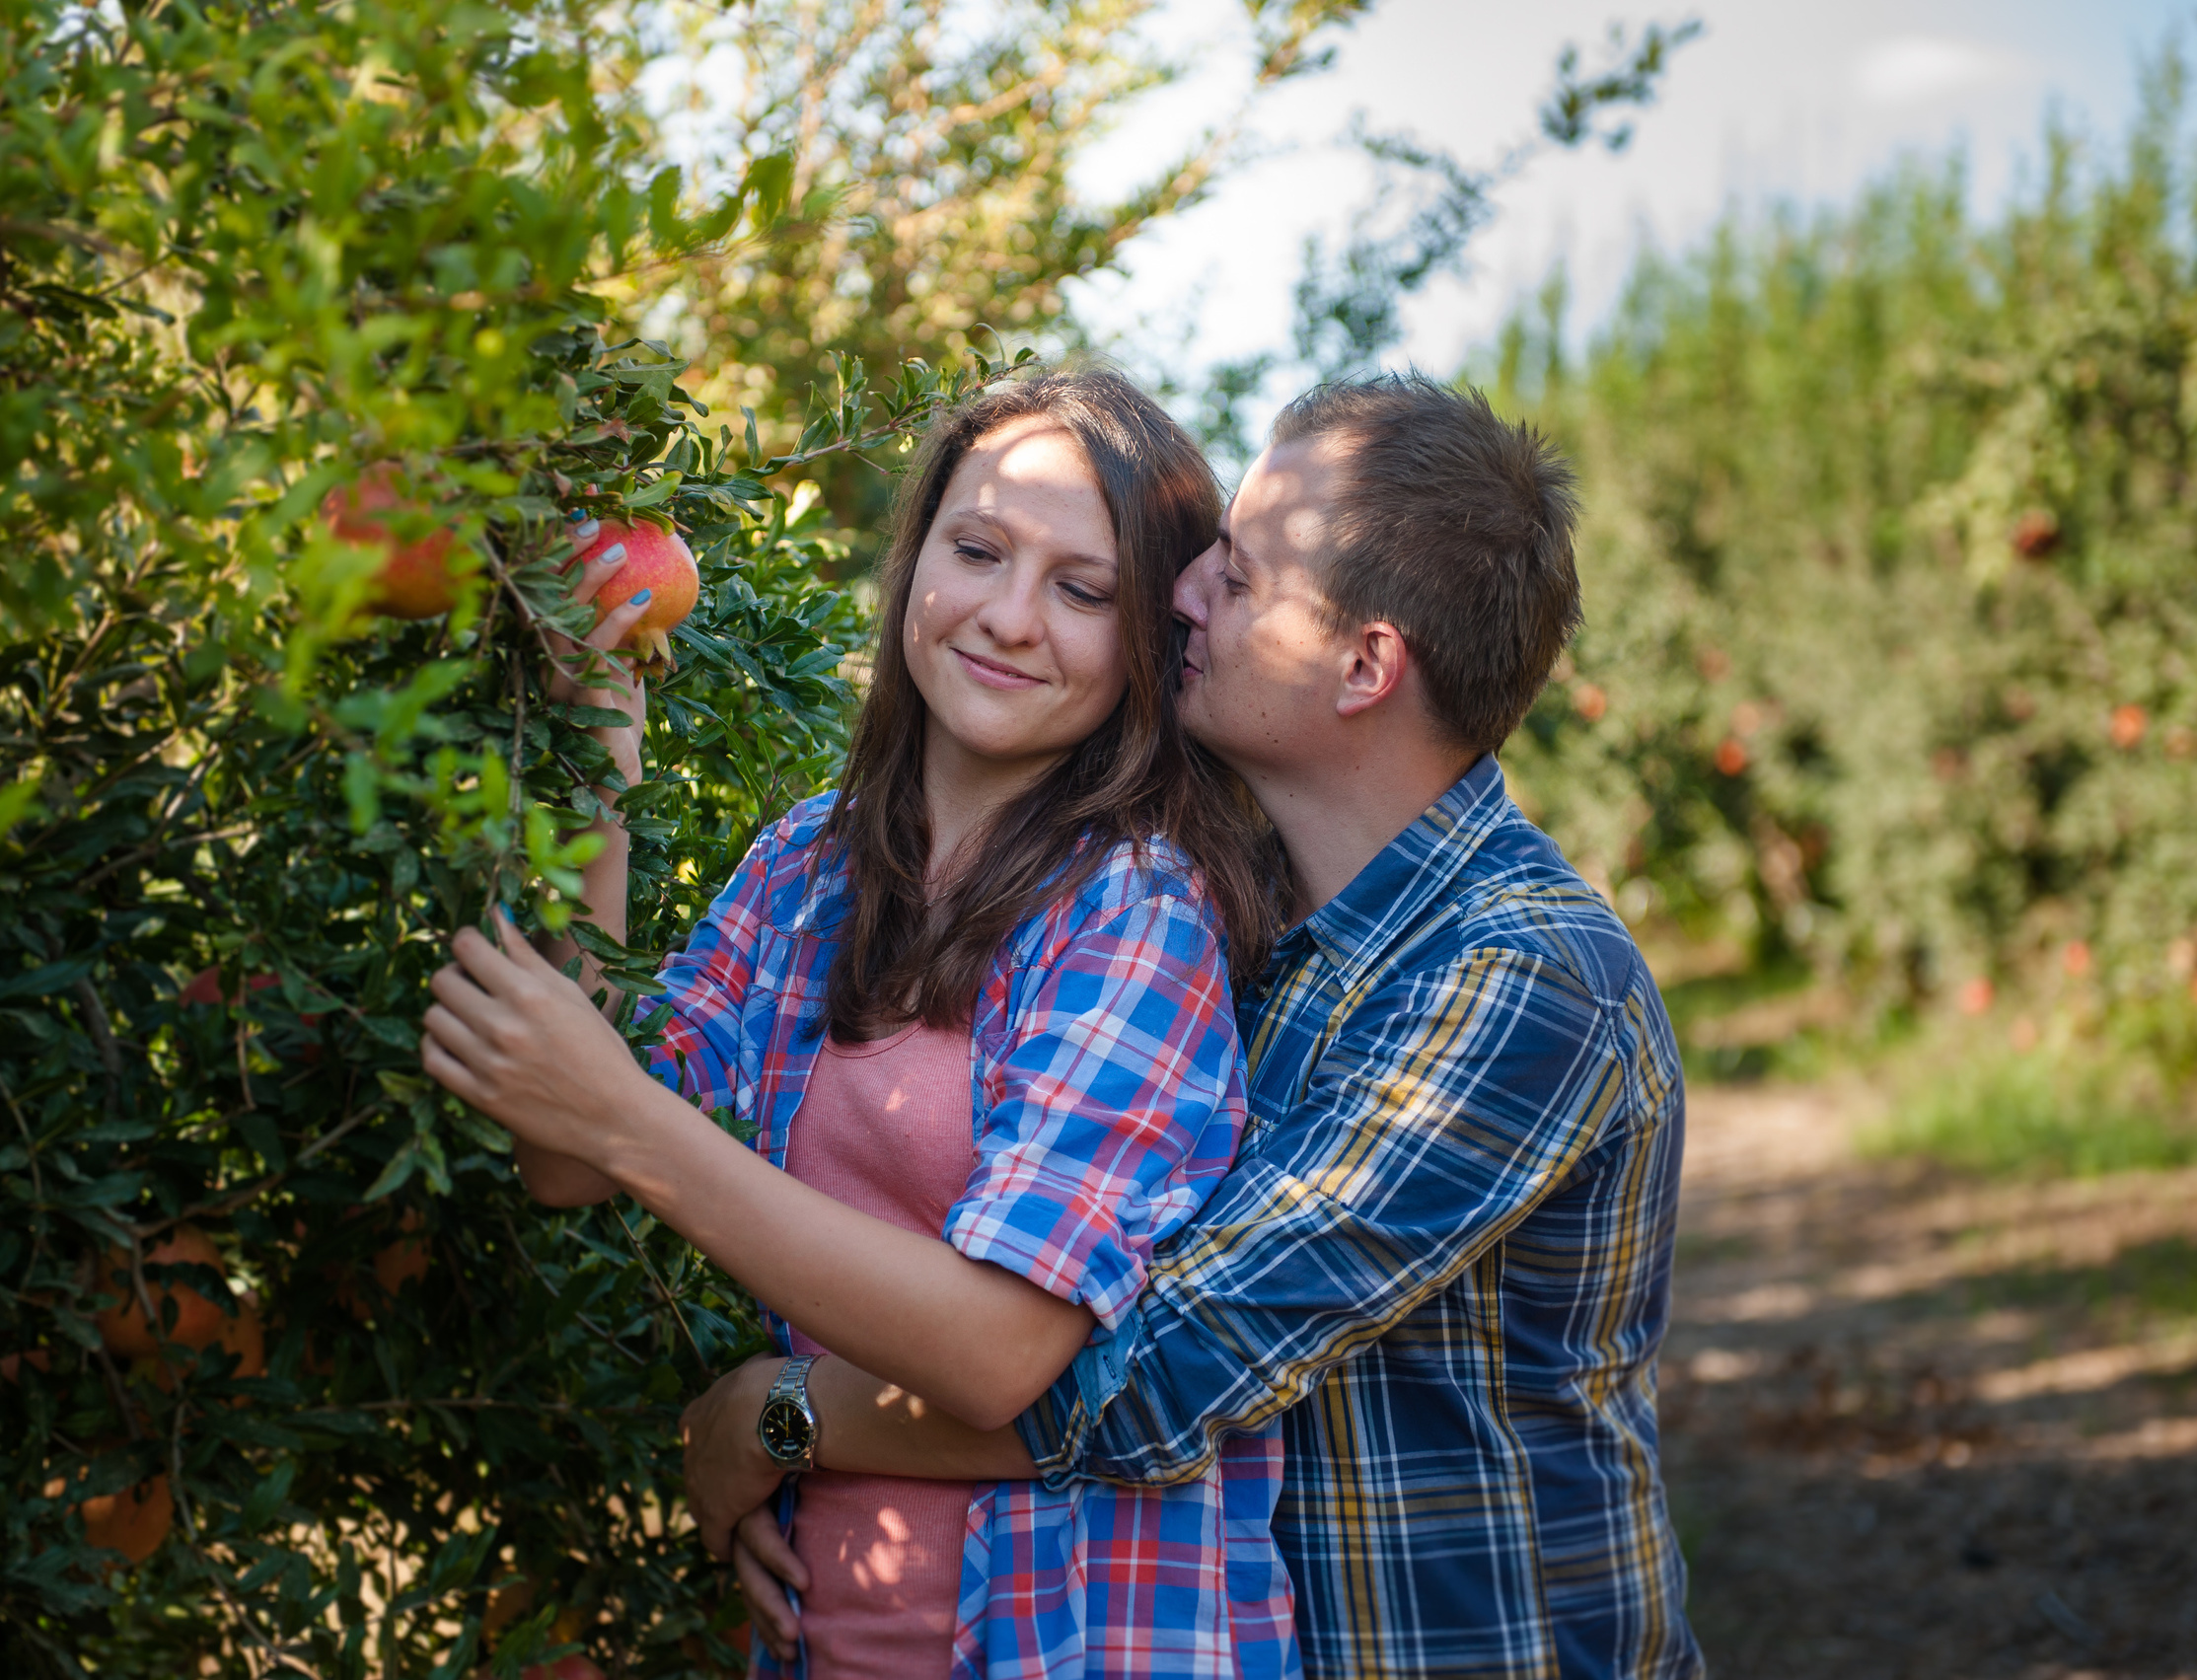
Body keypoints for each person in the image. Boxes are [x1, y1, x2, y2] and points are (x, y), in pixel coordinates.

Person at [680, 375, 1707, 1680]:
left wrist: (777, 1419)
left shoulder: (1520, 981)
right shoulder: (1257, 906)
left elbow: (1151, 1375)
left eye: (1240, 571)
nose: (1182, 592)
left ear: (1364, 666)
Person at [419, 367, 1304, 1679]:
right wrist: (601, 768)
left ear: (1144, 643)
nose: (1008, 617)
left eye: (1082, 591)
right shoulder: (809, 868)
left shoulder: (1134, 910)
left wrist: (631, 1140)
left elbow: (999, 1349)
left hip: (1065, 1638)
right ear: (915, 561)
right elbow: (564, 1154)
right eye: (977, 550)